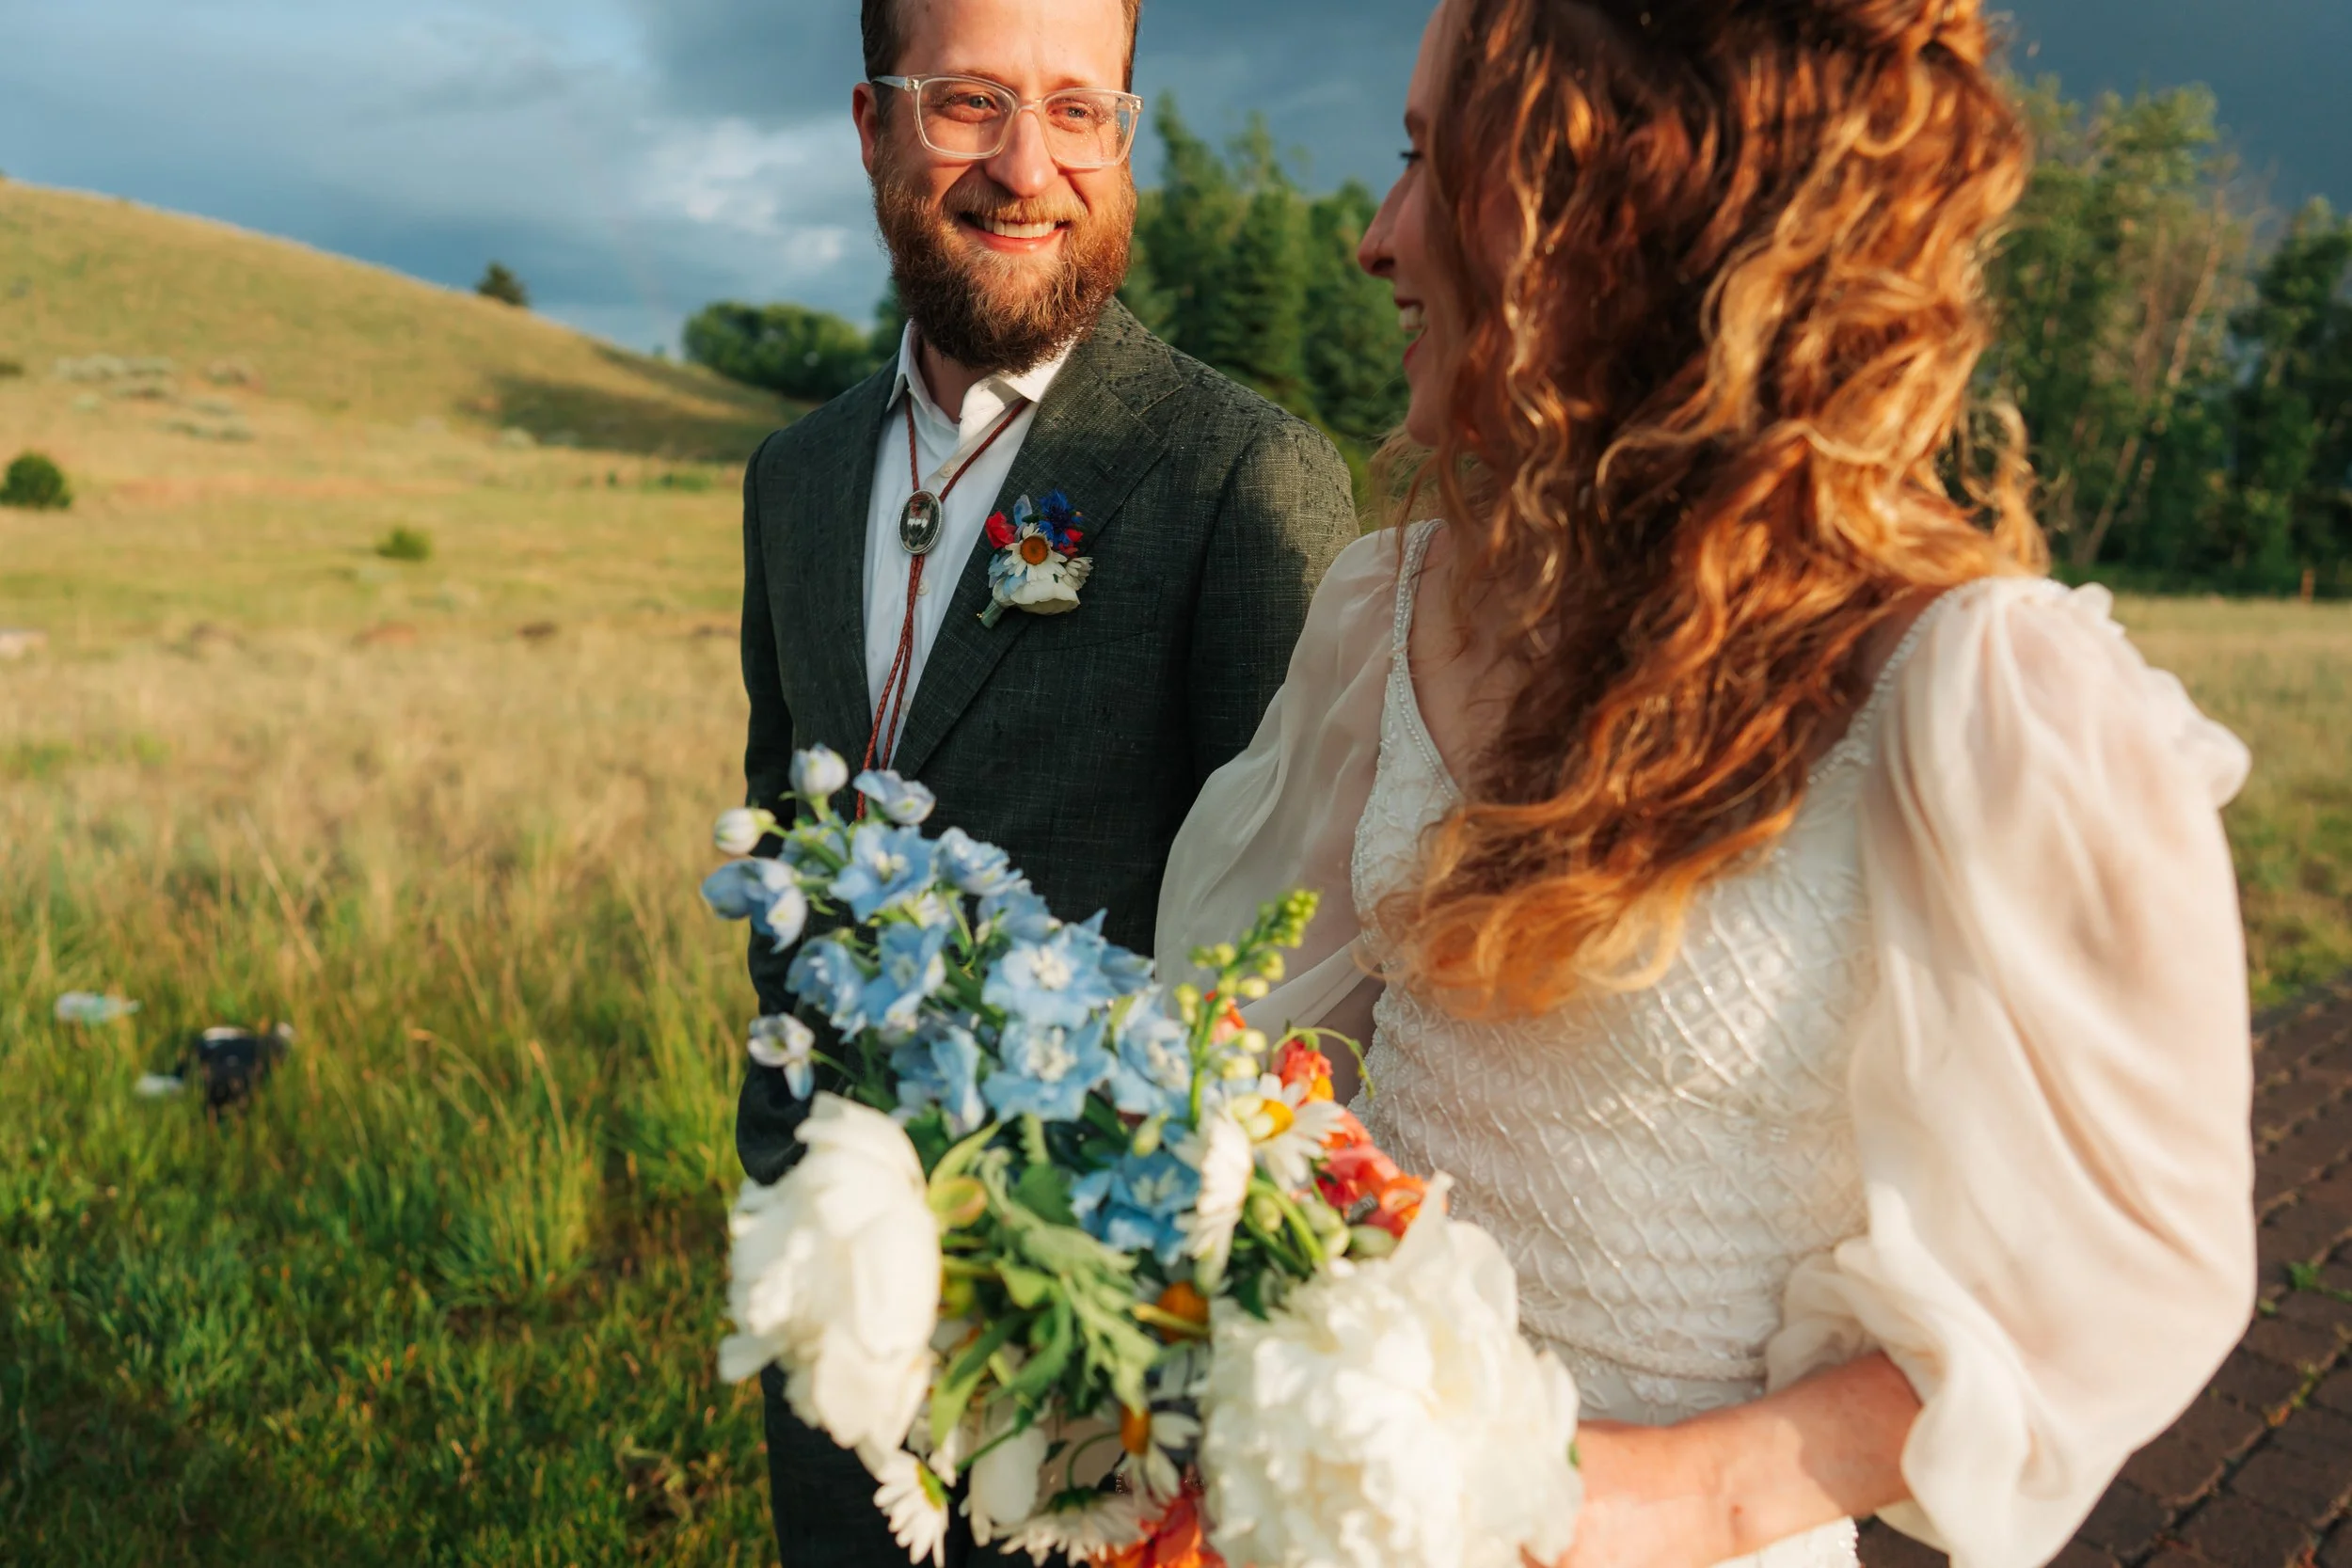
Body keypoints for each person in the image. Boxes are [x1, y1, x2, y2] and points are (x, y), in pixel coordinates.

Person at [1157, 1, 2258, 1565]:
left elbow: (2120, 1267)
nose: (1377, 239)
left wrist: (1660, 1497)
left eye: (1426, 162)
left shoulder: (1962, 689)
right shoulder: (1393, 607)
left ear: (1613, 213)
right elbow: (1263, 1047)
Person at [732, 0, 1359, 1562]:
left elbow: (1308, 979)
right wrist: (796, 1173)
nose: (1029, 167)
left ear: (1127, 137)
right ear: (873, 125)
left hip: (1108, 1393)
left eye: (1082, 112)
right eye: (969, 106)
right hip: (838, 1327)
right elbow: (788, 828)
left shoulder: (1240, 476)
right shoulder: (794, 478)